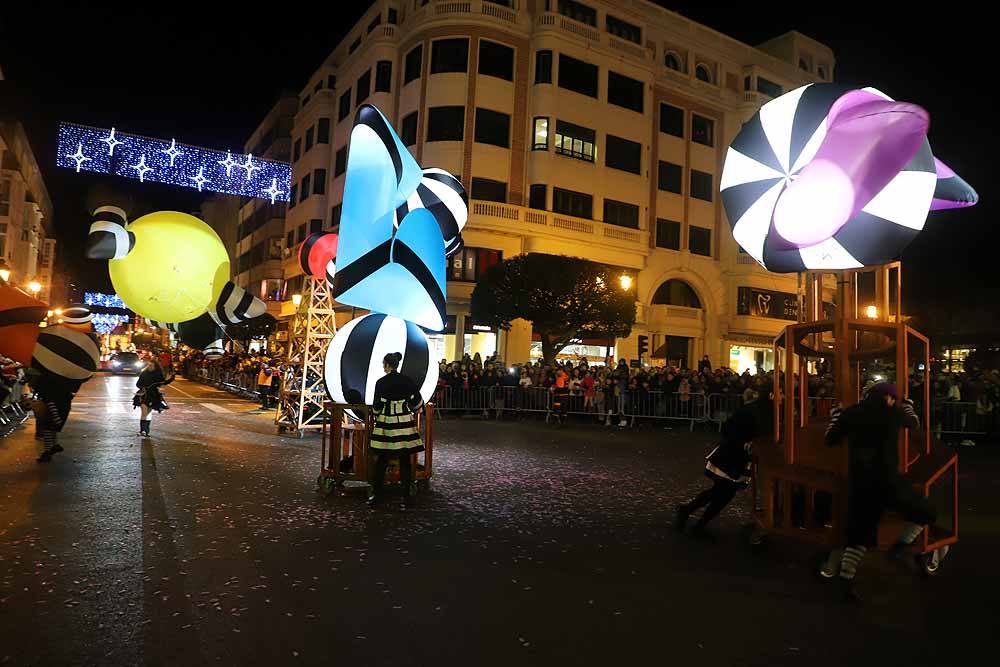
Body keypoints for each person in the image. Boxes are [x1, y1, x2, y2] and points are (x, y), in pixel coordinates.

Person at [820, 382, 934, 602]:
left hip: (861, 483)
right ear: (888, 398)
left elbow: (830, 439)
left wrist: (837, 415)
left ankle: (847, 580)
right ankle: (901, 546)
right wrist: (908, 406)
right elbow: (914, 422)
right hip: (888, 480)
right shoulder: (893, 412)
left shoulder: (852, 413)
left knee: (859, 535)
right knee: (926, 510)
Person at [675, 392, 774, 538]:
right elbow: (730, 429)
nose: (784, 397)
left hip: (737, 456)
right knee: (723, 492)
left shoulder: (764, 411)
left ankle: (691, 515)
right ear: (771, 395)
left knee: (722, 492)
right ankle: (693, 519)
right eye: (781, 394)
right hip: (732, 456)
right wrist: (744, 443)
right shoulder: (753, 410)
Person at [368, 352, 424, 510]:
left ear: (386, 364)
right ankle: (407, 496)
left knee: (382, 460)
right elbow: (417, 402)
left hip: (387, 422)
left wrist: (379, 412)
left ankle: (377, 495)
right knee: (405, 460)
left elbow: (377, 407)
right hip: (405, 421)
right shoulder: (407, 380)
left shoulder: (381, 382)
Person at [133, 360, 175, 437]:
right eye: (148, 365)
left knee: (148, 413)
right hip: (144, 395)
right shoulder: (144, 373)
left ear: (155, 367)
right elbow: (138, 384)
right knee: (144, 412)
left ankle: (146, 430)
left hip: (153, 395)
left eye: (151, 366)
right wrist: (143, 388)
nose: (149, 367)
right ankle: (142, 430)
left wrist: (172, 378)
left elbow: (163, 383)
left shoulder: (158, 374)